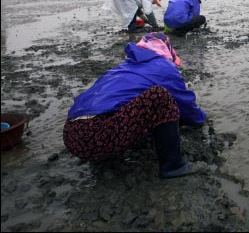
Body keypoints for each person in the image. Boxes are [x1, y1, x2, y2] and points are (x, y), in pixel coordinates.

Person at [63, 32, 206, 179]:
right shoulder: (163, 67)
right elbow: (187, 107)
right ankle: (173, 166)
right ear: (166, 48)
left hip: (72, 136)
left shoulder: (123, 67)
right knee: (160, 96)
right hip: (98, 136)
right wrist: (201, 119)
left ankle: (104, 154)